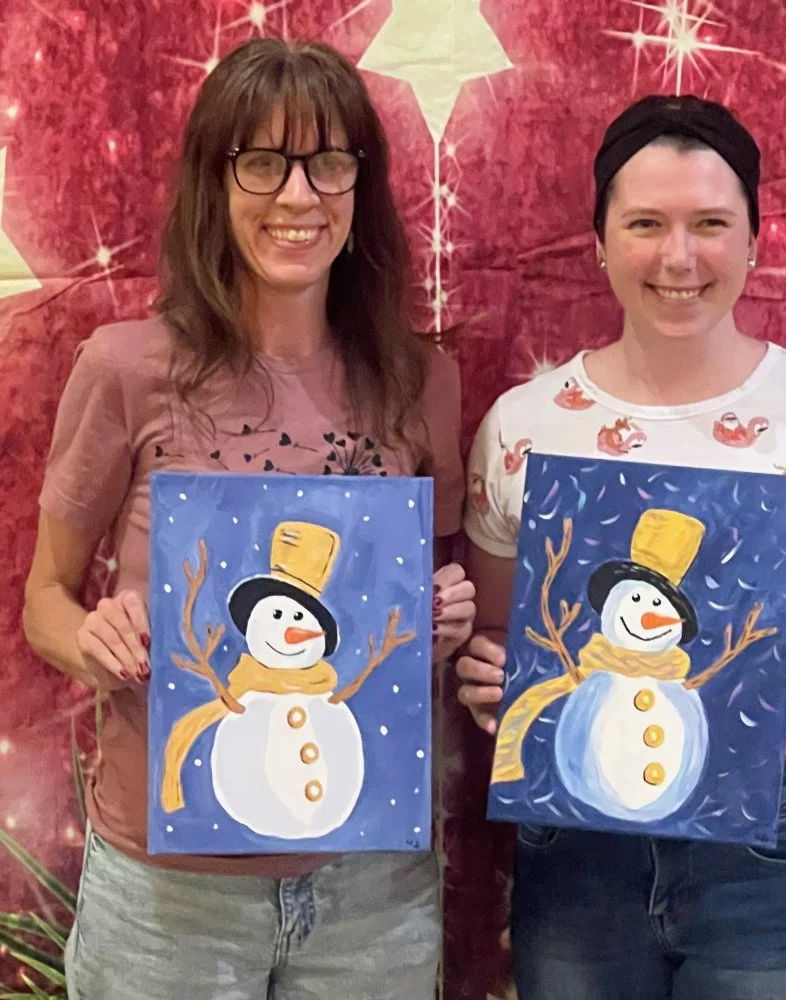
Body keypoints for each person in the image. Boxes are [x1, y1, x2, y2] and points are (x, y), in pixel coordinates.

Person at [23, 38, 475, 1000]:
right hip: (168, 892)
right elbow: (44, 601)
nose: (298, 195)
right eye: (262, 162)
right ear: (214, 184)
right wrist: (93, 639)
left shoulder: (421, 382)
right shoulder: (125, 368)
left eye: (329, 163)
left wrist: (443, 621)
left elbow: (417, 609)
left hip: (372, 886)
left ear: (361, 186)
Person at [456, 94, 786, 1000]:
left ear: (754, 239)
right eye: (645, 224)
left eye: (710, 223)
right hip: (581, 841)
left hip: (781, 840)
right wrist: (496, 680)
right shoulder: (525, 426)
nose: (679, 257)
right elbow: (510, 638)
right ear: (599, 241)